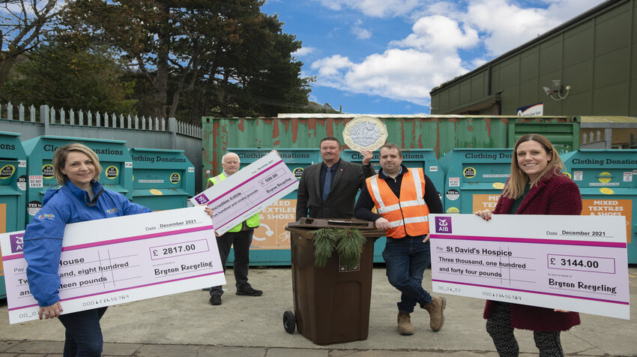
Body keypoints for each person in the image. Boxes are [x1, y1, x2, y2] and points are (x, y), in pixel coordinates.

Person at [23, 143, 154, 357]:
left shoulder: (112, 198)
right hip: (68, 288)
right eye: (75, 164)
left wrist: (195, 220)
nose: (84, 168)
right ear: (62, 170)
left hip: (99, 284)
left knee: (77, 339)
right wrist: (47, 296)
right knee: (91, 346)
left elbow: (149, 217)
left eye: (88, 162)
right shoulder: (58, 204)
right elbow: (43, 247)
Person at [475, 134, 582, 356]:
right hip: (511, 273)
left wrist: (565, 289)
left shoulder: (562, 186)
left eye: (535, 152)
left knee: (546, 337)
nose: (527, 158)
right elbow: (501, 222)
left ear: (549, 155)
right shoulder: (513, 183)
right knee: (497, 327)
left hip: (544, 275)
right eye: (521, 154)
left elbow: (567, 241)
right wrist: (488, 217)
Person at [355, 143, 446, 336]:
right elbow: (360, 210)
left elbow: (436, 205)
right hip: (396, 240)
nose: (389, 160)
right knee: (397, 278)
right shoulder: (372, 183)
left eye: (393, 156)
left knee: (414, 279)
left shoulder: (418, 176)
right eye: (385, 157)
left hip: (423, 239)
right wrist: (376, 217)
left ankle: (404, 316)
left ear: (400, 158)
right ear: (380, 160)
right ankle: (431, 302)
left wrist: (435, 230)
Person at [207, 152, 262, 306]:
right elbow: (206, 205)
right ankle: (216, 292)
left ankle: (243, 286)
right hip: (224, 229)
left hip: (245, 227)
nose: (232, 165)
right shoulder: (214, 181)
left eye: (235, 162)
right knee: (220, 260)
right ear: (223, 165)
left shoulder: (248, 178)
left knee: (243, 259)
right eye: (229, 162)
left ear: (239, 164)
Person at [296, 136, 374, 220]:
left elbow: (370, 188)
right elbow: (302, 200)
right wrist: (299, 224)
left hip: (345, 224)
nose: (328, 151)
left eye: (332, 148)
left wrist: (366, 165)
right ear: (320, 150)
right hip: (315, 223)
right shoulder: (308, 171)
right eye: (324, 148)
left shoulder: (356, 169)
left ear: (339, 150)